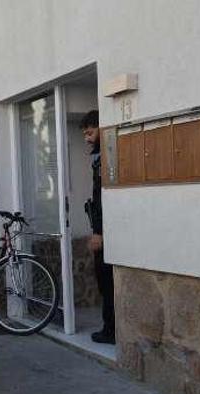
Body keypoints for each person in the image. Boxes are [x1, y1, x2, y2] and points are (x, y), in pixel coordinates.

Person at [82, 111, 116, 345]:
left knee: (106, 282)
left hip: (106, 233)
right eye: (85, 133)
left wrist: (98, 233)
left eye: (90, 132)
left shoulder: (105, 160)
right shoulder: (100, 159)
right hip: (107, 230)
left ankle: (110, 331)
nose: (87, 138)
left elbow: (103, 200)